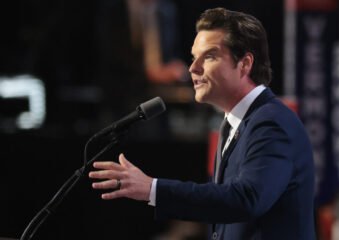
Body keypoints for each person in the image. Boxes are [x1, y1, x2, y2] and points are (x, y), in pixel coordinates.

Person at [89, 7, 316, 240]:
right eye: (193, 57)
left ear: (245, 64)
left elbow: (246, 199)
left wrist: (153, 189)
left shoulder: (271, 122)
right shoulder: (232, 123)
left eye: (209, 56)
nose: (193, 68)